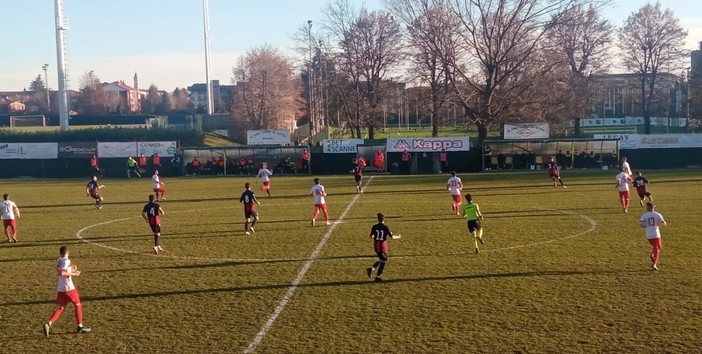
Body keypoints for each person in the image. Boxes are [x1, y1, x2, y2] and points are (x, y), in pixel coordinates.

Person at [43, 245, 91, 336]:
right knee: (78, 305)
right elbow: (62, 272)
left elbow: (63, 267)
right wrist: (74, 273)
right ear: (68, 253)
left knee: (61, 308)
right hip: (68, 287)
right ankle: (80, 327)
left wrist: (72, 266)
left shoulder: (59, 260)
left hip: (60, 288)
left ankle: (48, 324)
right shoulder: (66, 261)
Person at [365, 213, 400, 282]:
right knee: (383, 260)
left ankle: (372, 270)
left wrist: (375, 236)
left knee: (382, 260)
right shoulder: (385, 227)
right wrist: (398, 237)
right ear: (384, 219)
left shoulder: (374, 226)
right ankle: (377, 276)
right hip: (382, 246)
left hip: (376, 246)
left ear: (377, 219)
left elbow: (370, 236)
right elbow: (392, 237)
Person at [638, 202, 667, 271]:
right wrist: (663, 223)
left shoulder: (644, 215)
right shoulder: (657, 214)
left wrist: (644, 226)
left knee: (655, 247)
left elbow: (640, 223)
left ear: (647, 207)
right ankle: (654, 263)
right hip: (656, 234)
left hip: (648, 235)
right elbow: (664, 222)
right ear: (653, 207)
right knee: (657, 249)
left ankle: (653, 254)